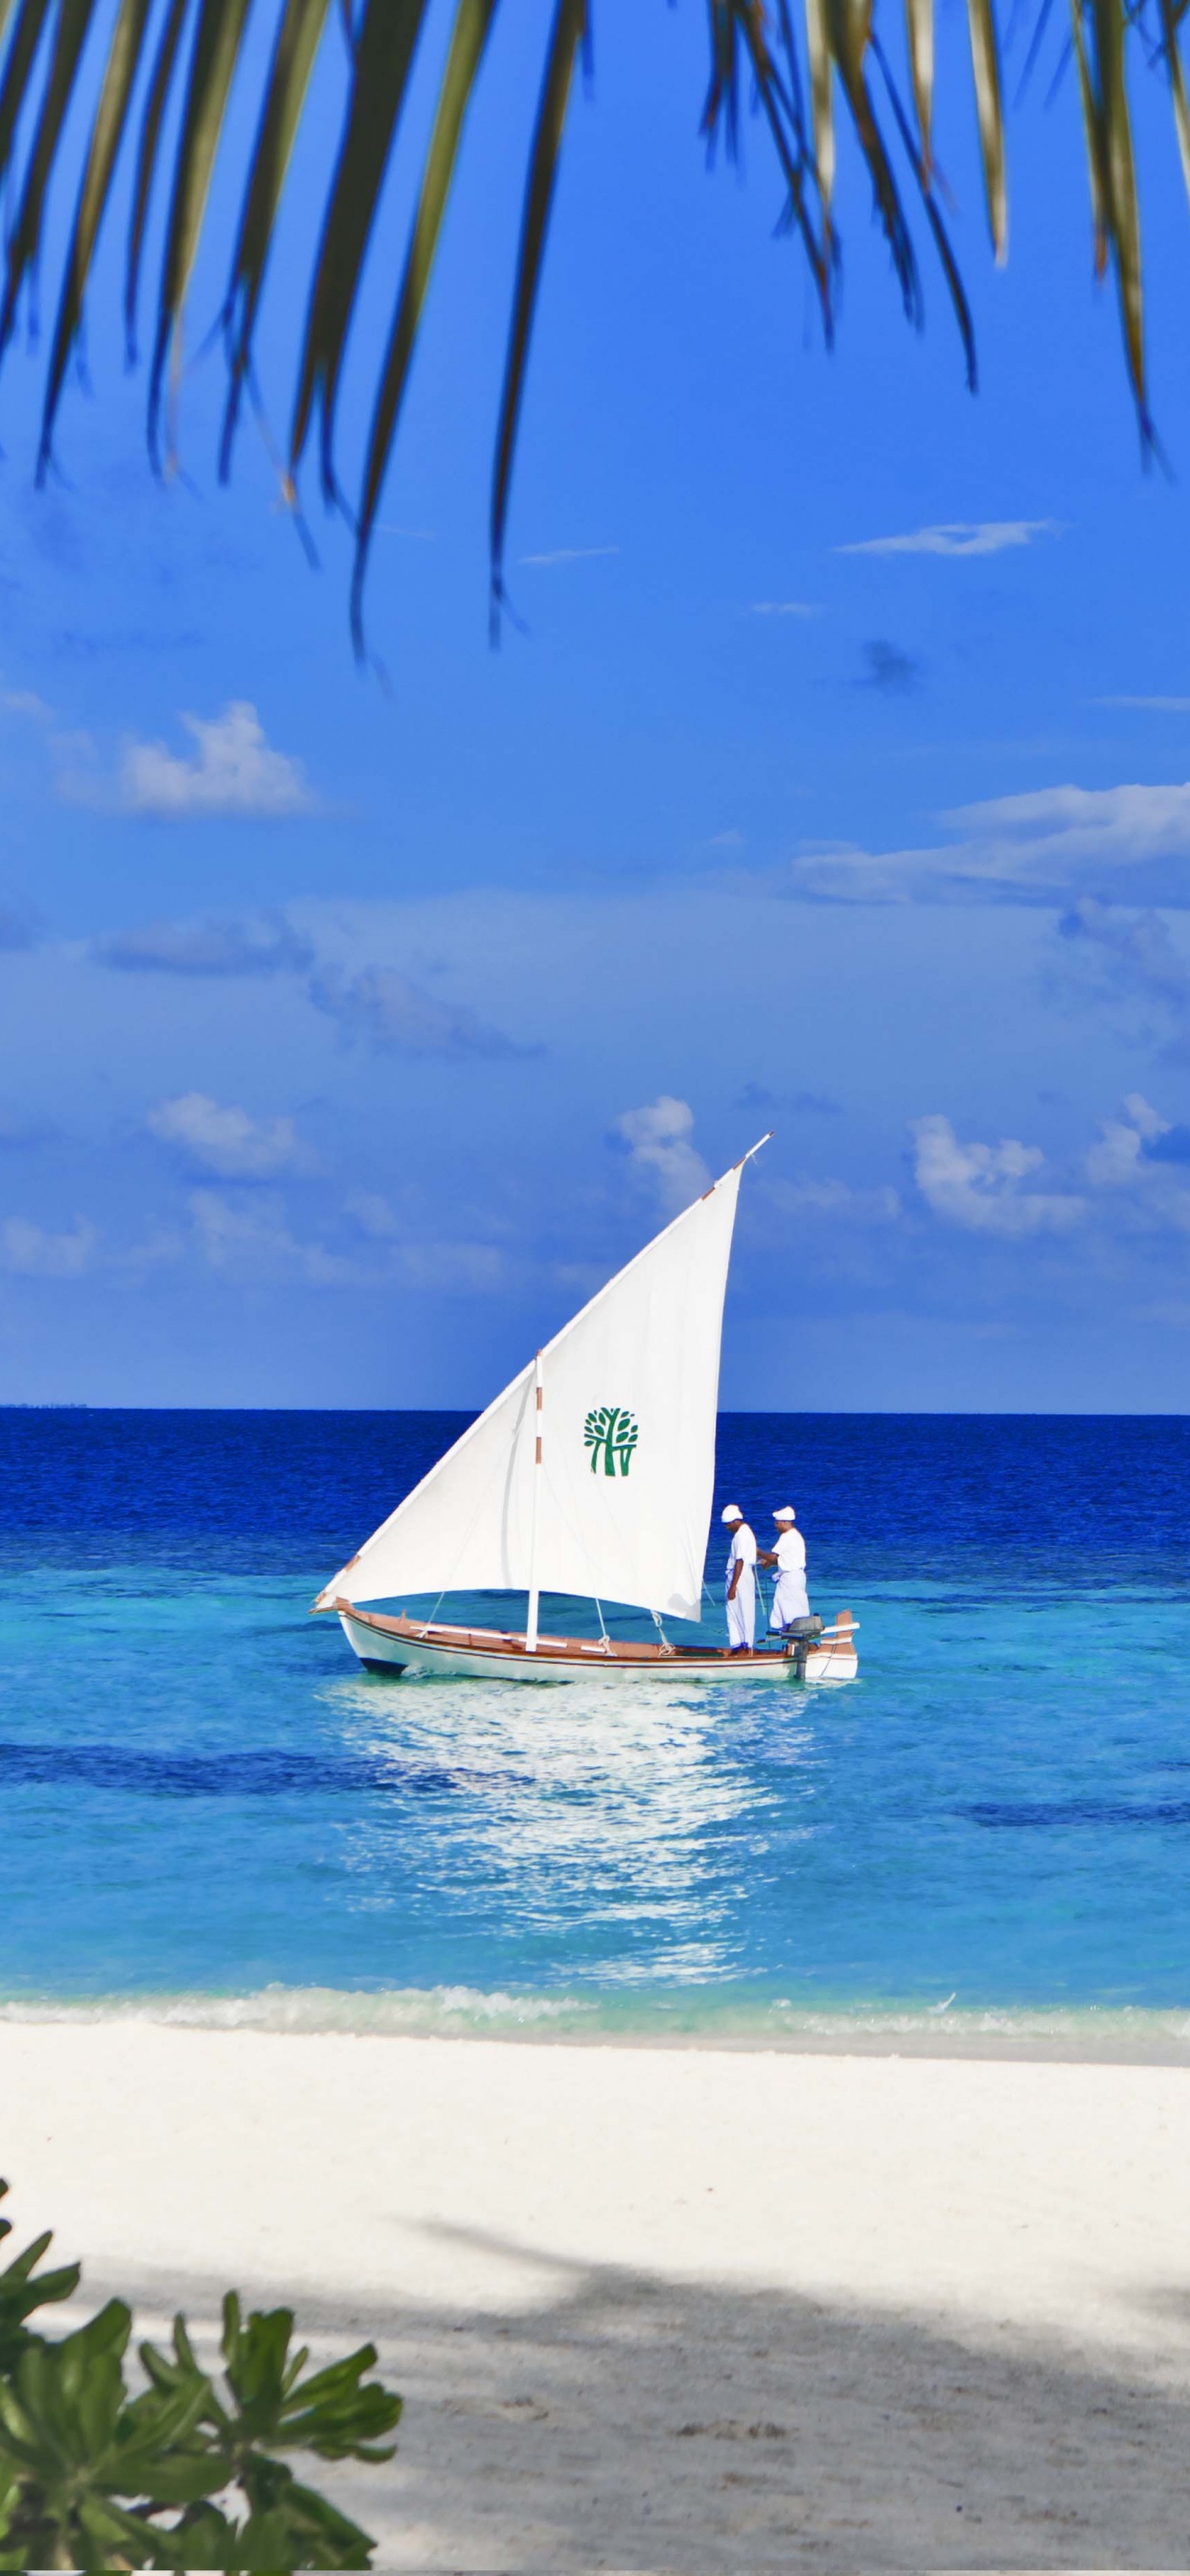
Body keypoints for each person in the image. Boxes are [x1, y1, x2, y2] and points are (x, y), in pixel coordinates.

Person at [759, 1506, 809, 1632]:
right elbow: (785, 1559)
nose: (776, 1526)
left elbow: (772, 1556)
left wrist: (758, 1552)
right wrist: (770, 1563)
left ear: (784, 1522)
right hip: (797, 1576)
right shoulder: (796, 1535)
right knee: (794, 1605)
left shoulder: (786, 1536)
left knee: (788, 1605)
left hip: (790, 1578)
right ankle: (795, 1631)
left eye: (777, 1523)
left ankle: (792, 1631)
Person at [721, 1505, 757, 1653]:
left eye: (728, 1524)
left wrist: (733, 1586)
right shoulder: (745, 1532)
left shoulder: (741, 1535)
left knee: (740, 1609)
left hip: (740, 1575)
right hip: (742, 1574)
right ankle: (740, 1645)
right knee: (738, 1610)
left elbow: (739, 1561)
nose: (727, 1528)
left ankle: (743, 1646)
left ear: (735, 1521)